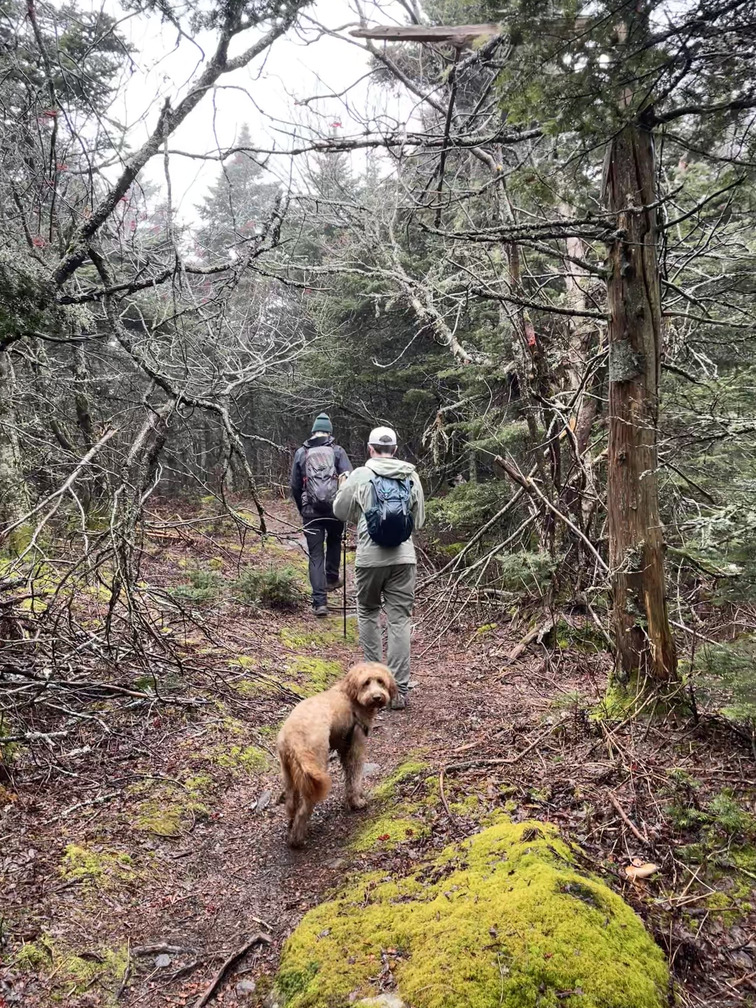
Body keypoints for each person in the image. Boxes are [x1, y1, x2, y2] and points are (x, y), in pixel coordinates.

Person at [333, 426, 425, 710]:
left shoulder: (360, 475)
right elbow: (418, 520)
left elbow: (340, 511)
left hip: (370, 559)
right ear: (395, 450)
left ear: (370, 448)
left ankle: (373, 687)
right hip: (403, 558)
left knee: (368, 612)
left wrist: (345, 488)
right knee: (399, 619)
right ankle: (399, 691)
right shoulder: (411, 475)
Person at [290, 413, 352, 618]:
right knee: (334, 541)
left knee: (316, 555)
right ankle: (332, 577)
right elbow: (348, 480)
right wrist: (344, 507)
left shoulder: (302, 453)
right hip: (335, 510)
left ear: (313, 431)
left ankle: (319, 604)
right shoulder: (338, 451)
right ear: (329, 432)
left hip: (311, 512)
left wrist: (303, 508)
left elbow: (295, 485)